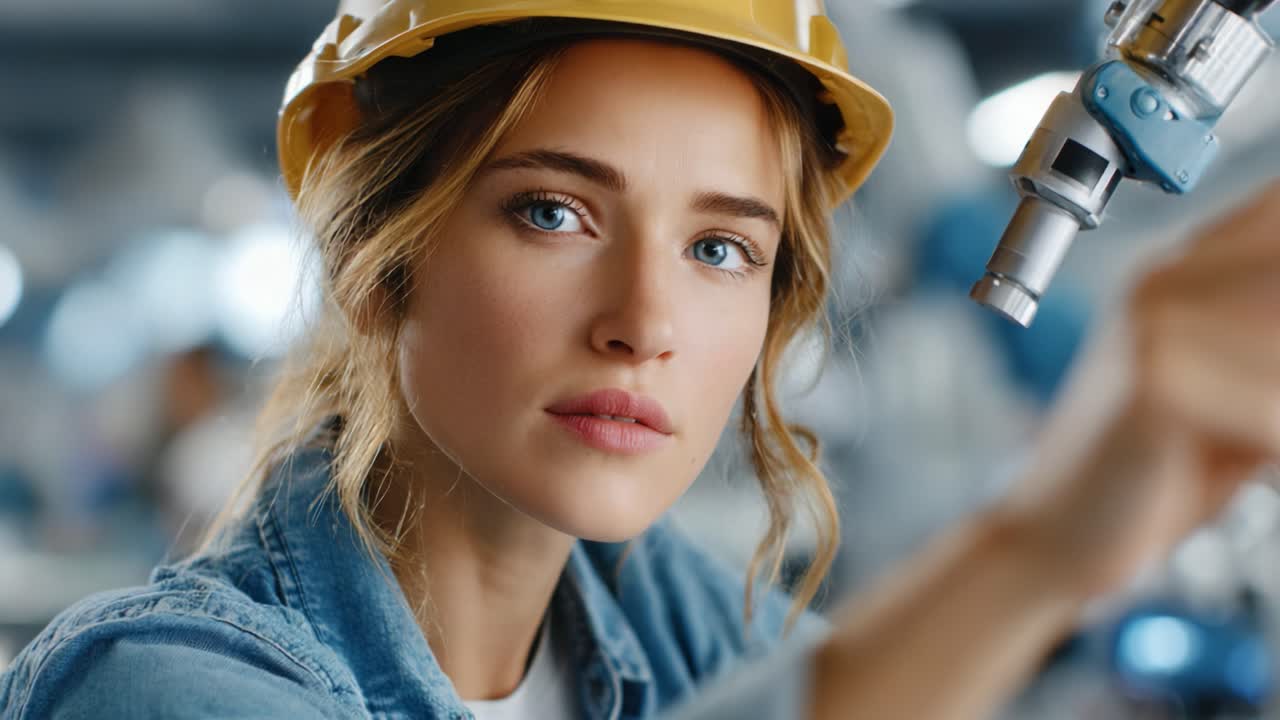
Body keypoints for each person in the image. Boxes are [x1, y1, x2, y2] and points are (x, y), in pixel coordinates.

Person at [3, 1, 1278, 718]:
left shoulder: (679, 627)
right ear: (375, 260)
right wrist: (1032, 551)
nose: (643, 321)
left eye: (721, 249)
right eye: (553, 213)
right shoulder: (161, 691)